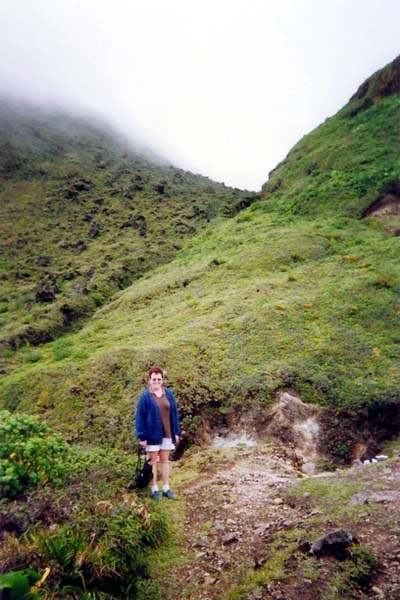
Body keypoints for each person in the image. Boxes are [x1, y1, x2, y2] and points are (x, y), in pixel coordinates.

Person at [135, 366, 181, 500]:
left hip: (167, 432)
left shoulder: (169, 394)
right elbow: (140, 417)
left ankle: (166, 487)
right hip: (151, 435)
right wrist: (142, 436)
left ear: (162, 380)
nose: (156, 381)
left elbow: (174, 414)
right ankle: (154, 488)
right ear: (149, 380)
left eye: (159, 379)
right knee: (153, 461)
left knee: (165, 460)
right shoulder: (145, 397)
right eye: (154, 379)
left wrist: (176, 432)